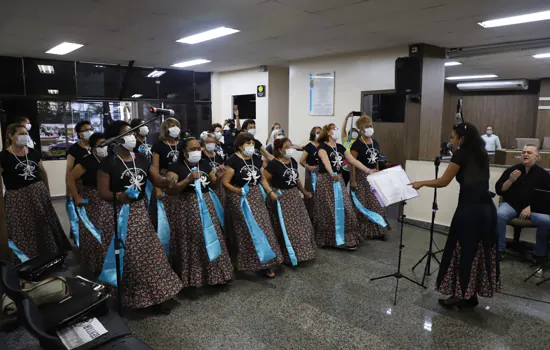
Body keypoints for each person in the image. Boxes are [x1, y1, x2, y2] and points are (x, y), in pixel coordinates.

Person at [411, 122, 500, 310]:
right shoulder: (482, 155)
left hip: (469, 210)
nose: (451, 141)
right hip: (486, 209)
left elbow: (444, 181)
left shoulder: (461, 154)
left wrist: (421, 183)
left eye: (453, 137)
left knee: (463, 251)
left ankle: (459, 295)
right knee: (477, 252)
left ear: (462, 139)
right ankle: (471, 294)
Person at [97, 121, 182, 310]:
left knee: (151, 253)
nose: (131, 137)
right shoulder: (109, 162)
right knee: (131, 257)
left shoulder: (142, 158)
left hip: (138, 212)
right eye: (126, 133)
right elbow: (102, 192)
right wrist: (120, 196)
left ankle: (157, 295)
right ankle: (134, 297)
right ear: (114, 139)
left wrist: (169, 179)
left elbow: (157, 179)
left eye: (132, 133)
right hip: (117, 213)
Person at [165, 138, 233, 287]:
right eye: (192, 149)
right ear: (184, 152)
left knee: (212, 236)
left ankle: (215, 275)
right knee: (194, 240)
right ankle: (195, 278)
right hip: (187, 206)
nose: (197, 151)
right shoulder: (175, 167)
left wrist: (219, 178)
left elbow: (213, 184)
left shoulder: (204, 163)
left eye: (198, 148)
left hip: (206, 203)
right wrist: (187, 180)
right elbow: (171, 190)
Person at [0, 124, 69, 264]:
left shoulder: (33, 152)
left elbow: (42, 171)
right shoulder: (4, 156)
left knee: (43, 223)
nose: (25, 136)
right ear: (11, 135)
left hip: (38, 193)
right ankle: (27, 259)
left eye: (26, 133)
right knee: (22, 227)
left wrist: (47, 191)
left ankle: (49, 254)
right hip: (17, 197)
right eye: (21, 133)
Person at [222, 133, 283, 278]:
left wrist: (269, 192)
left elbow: (261, 178)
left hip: (255, 196)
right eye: (247, 143)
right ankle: (250, 263)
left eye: (252, 143)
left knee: (263, 227)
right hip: (239, 198)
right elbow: (225, 183)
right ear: (239, 145)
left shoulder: (256, 159)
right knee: (247, 230)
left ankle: (266, 262)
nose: (251, 146)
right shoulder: (233, 160)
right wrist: (238, 191)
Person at [314, 123, 376, 249]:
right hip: (326, 181)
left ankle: (347, 237)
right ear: (329, 133)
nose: (336, 131)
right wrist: (332, 174)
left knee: (346, 207)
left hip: (338, 180)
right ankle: (332, 240)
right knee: (329, 209)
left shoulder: (340, 147)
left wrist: (368, 170)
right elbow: (326, 162)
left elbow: (353, 161)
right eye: (334, 129)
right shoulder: (322, 148)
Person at [264, 138, 316, 265]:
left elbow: (296, 178)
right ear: (279, 150)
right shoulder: (274, 164)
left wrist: (303, 191)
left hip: (294, 197)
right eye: (287, 146)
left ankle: (303, 253)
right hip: (282, 198)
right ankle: (289, 254)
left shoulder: (292, 161)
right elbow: (264, 180)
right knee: (288, 227)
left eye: (291, 145)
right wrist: (271, 192)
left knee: (302, 224)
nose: (290, 148)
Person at [495, 145, 550, 263]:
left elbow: (547, 198)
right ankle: (499, 250)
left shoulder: (544, 175)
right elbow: (499, 190)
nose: (525, 154)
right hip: (512, 205)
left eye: (529, 153)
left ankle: (539, 256)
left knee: (547, 221)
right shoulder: (512, 170)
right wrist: (510, 180)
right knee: (499, 214)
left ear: (537, 157)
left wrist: (532, 207)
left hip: (533, 209)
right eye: (523, 152)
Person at [67, 133, 110, 275]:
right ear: (92, 148)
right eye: (100, 145)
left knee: (109, 230)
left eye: (105, 143)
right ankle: (94, 265)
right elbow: (71, 178)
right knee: (93, 232)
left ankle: (108, 262)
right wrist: (76, 197)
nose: (104, 147)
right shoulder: (87, 161)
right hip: (92, 199)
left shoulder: (112, 159)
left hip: (109, 199)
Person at [350, 116, 390, 240]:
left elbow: (376, 161)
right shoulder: (357, 144)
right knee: (363, 204)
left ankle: (378, 231)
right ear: (361, 129)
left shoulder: (375, 143)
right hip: (361, 177)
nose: (370, 129)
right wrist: (353, 180)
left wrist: (377, 174)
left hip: (373, 176)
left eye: (371, 126)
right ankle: (363, 232)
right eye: (367, 127)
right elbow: (352, 164)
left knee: (377, 203)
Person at [66, 120, 94, 197]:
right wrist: (68, 191)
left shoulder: (97, 146)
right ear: (79, 134)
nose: (89, 132)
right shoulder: (74, 149)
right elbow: (69, 170)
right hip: (80, 184)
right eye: (85, 130)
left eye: (90, 129)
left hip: (95, 184)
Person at [299, 126, 321, 221]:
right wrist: (309, 167)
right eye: (317, 132)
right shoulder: (309, 146)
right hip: (311, 172)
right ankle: (310, 217)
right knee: (311, 194)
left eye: (320, 132)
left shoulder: (323, 145)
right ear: (313, 134)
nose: (319, 134)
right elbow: (302, 161)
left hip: (321, 172)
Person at [202, 132, 226, 203]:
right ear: (204, 143)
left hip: (218, 185)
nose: (210, 144)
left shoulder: (218, 156)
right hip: (207, 186)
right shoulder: (201, 156)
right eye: (208, 142)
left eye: (212, 142)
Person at [341, 112, 360, 185]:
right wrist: (346, 118)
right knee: (343, 186)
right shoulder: (346, 140)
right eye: (352, 132)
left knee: (354, 187)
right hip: (345, 168)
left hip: (355, 169)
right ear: (349, 134)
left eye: (355, 132)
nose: (354, 133)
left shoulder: (359, 141)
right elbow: (343, 129)